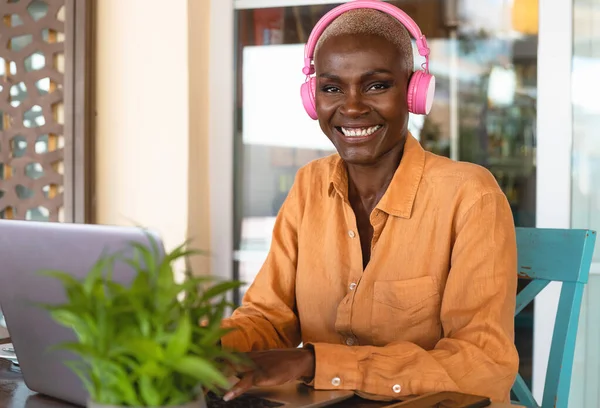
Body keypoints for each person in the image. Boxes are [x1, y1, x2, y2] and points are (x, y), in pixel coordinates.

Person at [220, 1, 519, 403]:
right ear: (313, 99)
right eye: (331, 88)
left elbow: (483, 364)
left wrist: (313, 363)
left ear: (415, 91)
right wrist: (201, 347)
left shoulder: (470, 195)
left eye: (377, 85)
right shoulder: (309, 185)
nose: (353, 106)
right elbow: (267, 318)